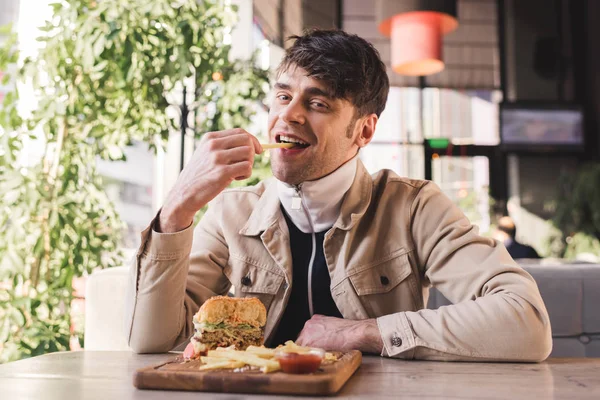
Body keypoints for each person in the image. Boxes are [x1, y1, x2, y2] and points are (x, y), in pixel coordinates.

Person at [125, 29, 552, 361]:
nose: (287, 115)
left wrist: (362, 333)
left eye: (318, 103)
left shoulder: (414, 208)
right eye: (283, 96)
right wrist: (178, 205)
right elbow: (151, 342)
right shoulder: (231, 212)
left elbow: (526, 321)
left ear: (363, 130)